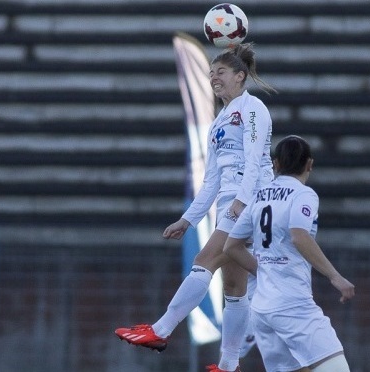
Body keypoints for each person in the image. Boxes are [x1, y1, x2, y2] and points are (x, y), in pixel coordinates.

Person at [115, 42, 277, 372]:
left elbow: (255, 162)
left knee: (204, 260)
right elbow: (211, 182)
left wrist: (238, 206)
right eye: (210, 73)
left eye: (221, 72)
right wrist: (187, 220)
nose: (213, 78)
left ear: (240, 76)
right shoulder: (218, 123)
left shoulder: (253, 108)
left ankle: (159, 331)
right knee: (234, 288)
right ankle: (229, 365)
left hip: (252, 200)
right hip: (229, 203)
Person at [223, 135, 356, 372]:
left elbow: (231, 246)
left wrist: (262, 271)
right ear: (309, 164)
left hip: (263, 309)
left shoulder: (259, 196)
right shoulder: (303, 195)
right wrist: (336, 277)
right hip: (293, 305)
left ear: (275, 164)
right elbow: (299, 236)